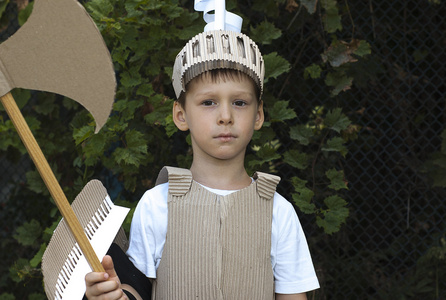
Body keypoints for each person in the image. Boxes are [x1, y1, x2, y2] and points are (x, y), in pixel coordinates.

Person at [85, 11, 320, 300]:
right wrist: (112, 295)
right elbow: (138, 289)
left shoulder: (278, 213)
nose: (225, 116)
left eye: (239, 102)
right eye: (208, 102)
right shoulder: (158, 205)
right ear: (181, 115)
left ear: (258, 115)